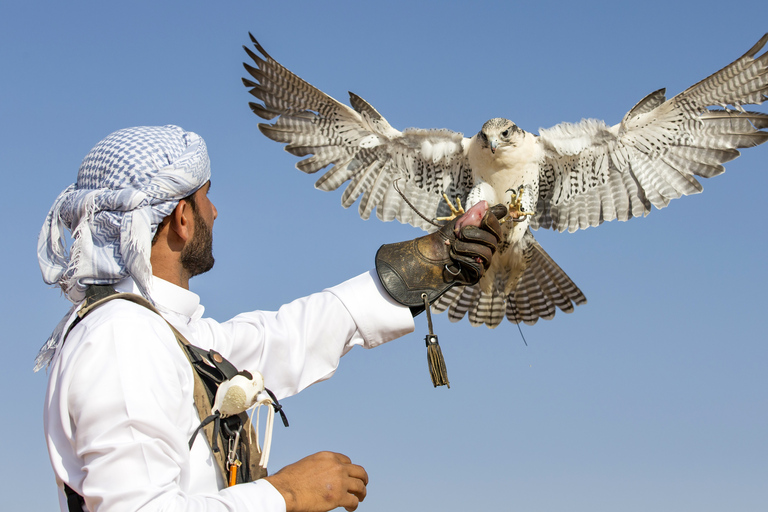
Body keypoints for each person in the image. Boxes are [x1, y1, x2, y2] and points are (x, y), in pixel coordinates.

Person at [36, 125, 502, 512]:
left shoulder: (165, 332)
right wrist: (286, 493)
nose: (214, 212)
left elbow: (284, 337)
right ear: (181, 217)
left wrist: (434, 260)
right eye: (206, 198)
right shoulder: (122, 338)